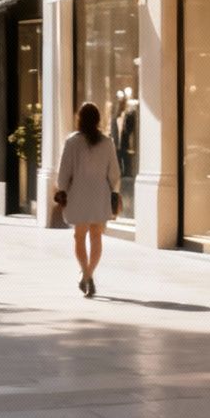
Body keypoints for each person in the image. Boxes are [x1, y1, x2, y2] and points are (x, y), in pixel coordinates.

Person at [54, 102, 124, 298]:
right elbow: (115, 174)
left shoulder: (72, 142)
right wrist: (114, 192)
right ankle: (88, 275)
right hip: (100, 195)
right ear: (98, 119)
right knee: (96, 237)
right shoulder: (107, 142)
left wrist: (62, 190)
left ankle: (86, 274)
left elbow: (63, 173)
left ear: (80, 119)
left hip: (78, 195)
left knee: (79, 236)